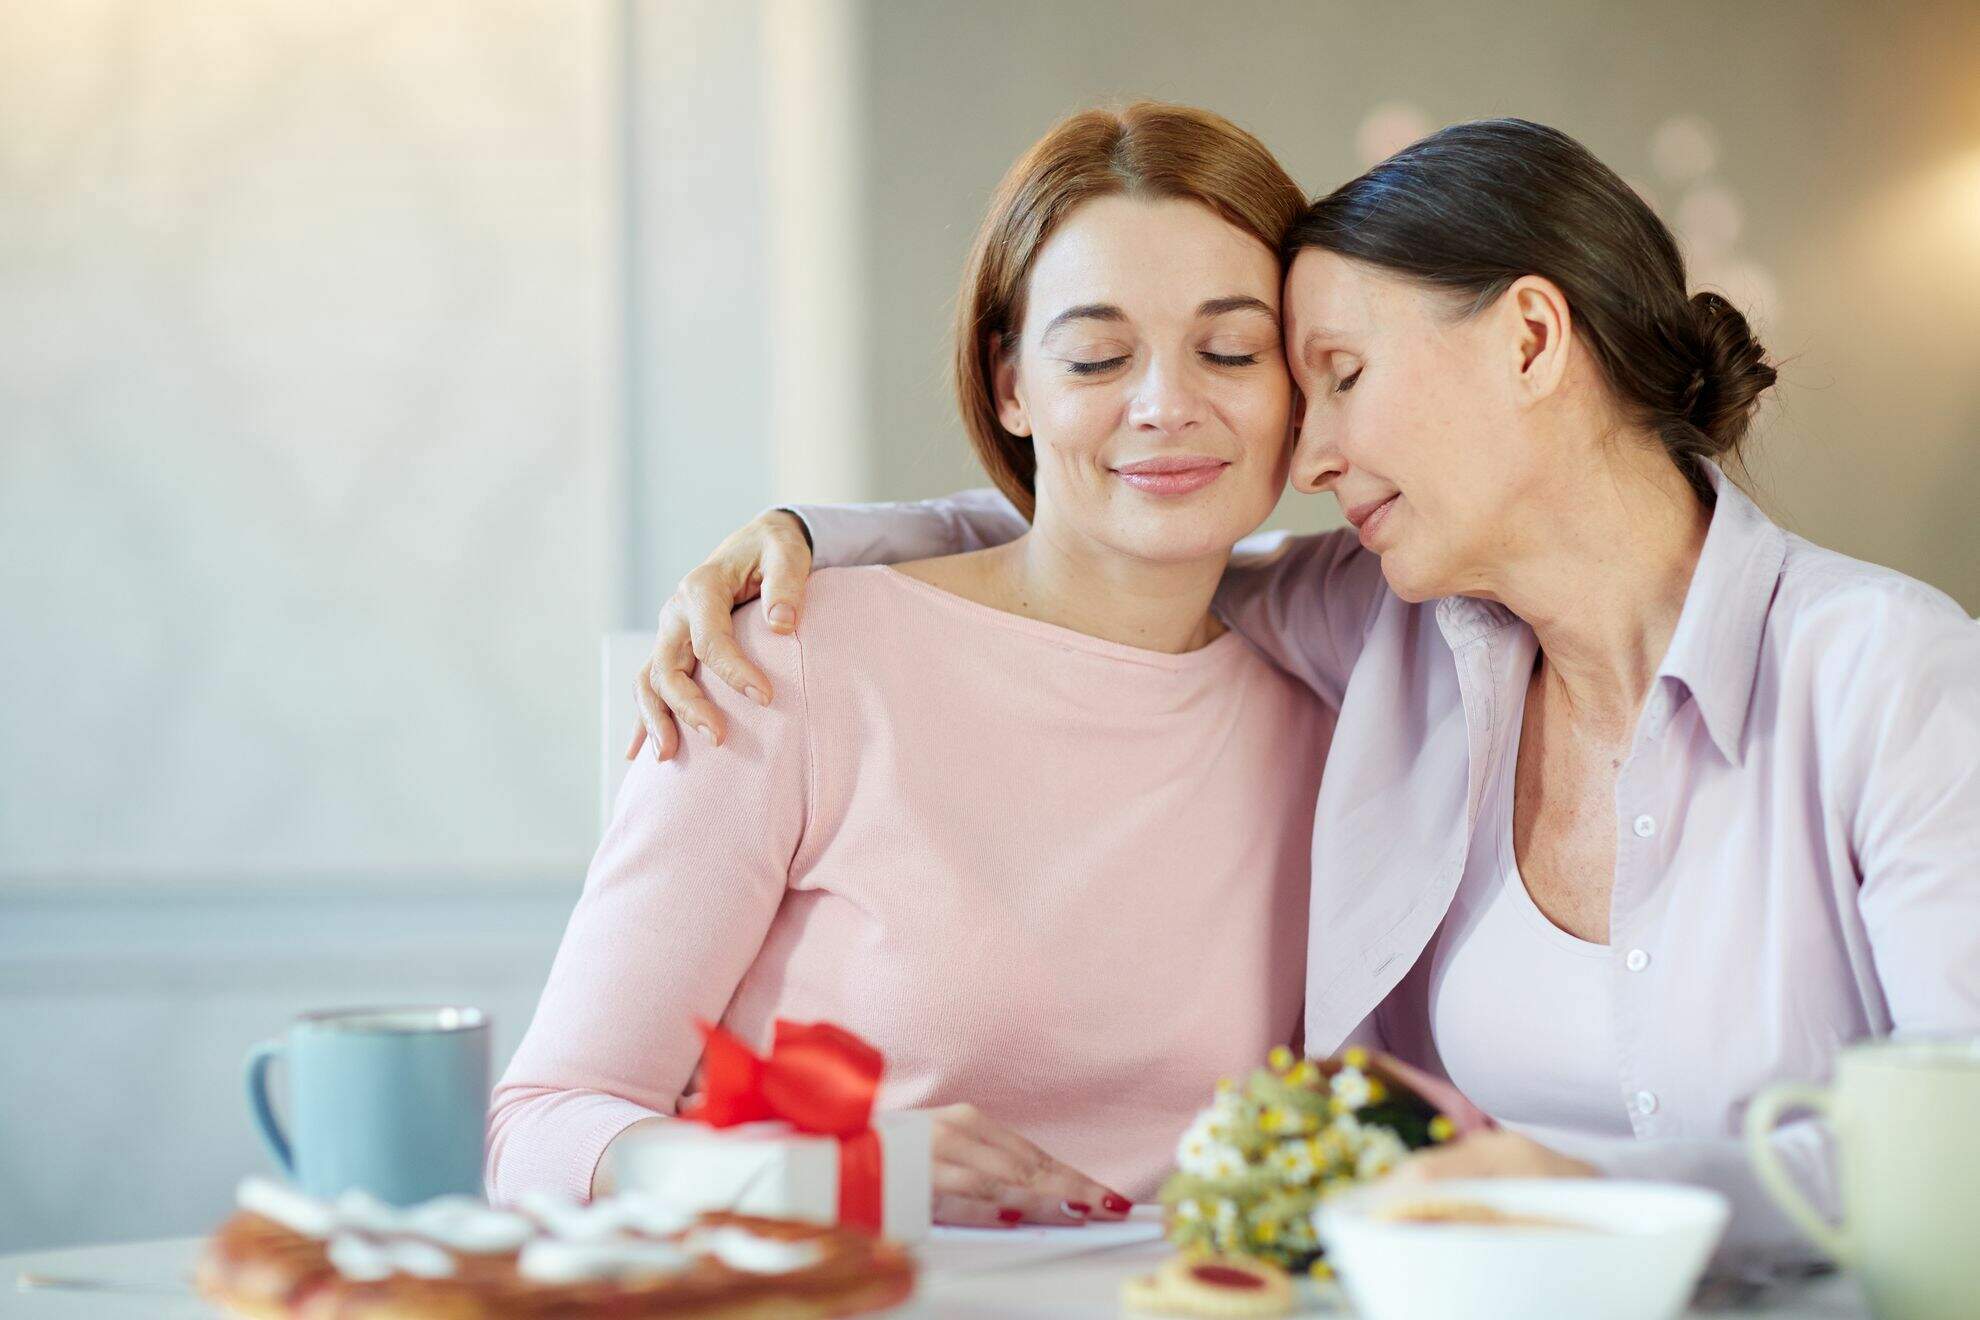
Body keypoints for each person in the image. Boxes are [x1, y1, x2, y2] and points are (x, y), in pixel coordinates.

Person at [633, 118, 1980, 1258]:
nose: (1312, 448)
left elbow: (1965, 1147)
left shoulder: (1887, 673)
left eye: (1333, 374)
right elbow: (1126, 533)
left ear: (1526, 338)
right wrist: (817, 538)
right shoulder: (1398, 631)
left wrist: (1590, 1198)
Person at [488, 103, 1339, 1227]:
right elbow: (539, 1127)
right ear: (1010, 385)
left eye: (1231, 350)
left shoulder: (1328, 701)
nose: (1166, 405)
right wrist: (831, 1172)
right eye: (1096, 355)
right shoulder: (796, 662)